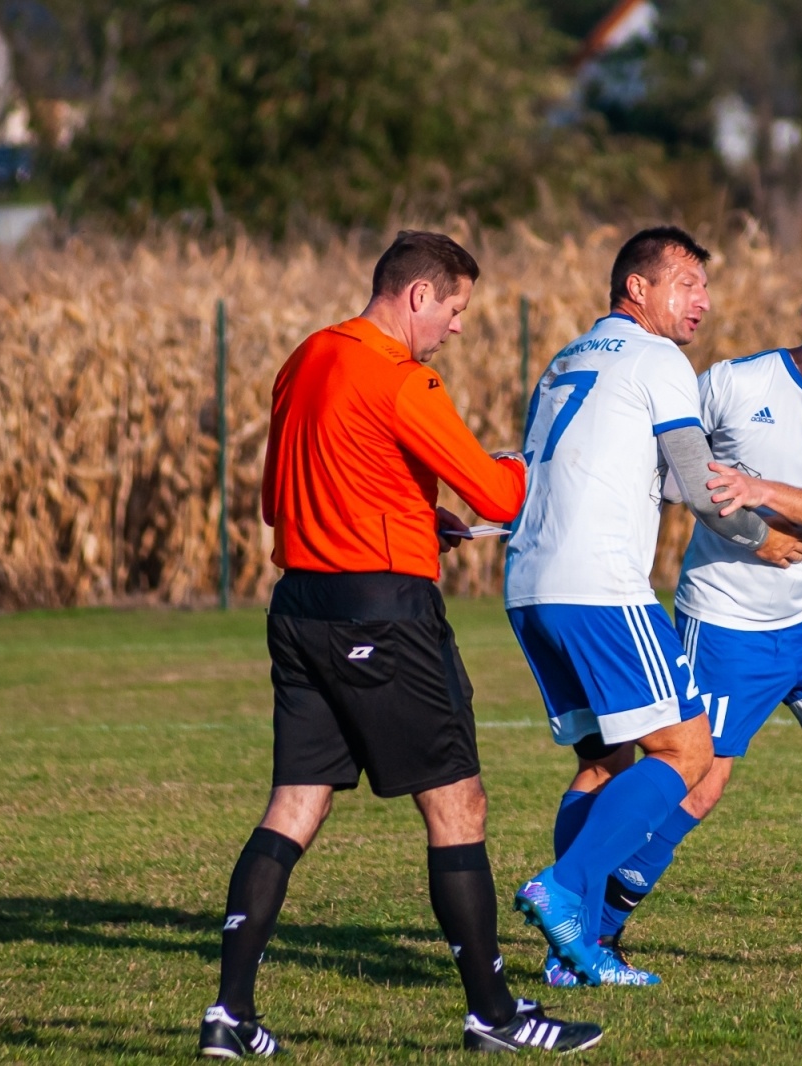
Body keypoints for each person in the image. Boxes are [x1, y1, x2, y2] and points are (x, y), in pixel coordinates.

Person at [199, 230, 600, 1058]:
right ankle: (494, 1015)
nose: (457, 326)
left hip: (299, 607)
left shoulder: (306, 358)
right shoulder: (402, 377)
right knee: (457, 804)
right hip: (382, 618)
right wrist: (526, 465)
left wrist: (415, 516)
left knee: (295, 803)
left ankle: (229, 1014)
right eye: (454, 308)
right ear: (418, 295)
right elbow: (498, 495)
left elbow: (280, 503)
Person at [546, 255, 802, 986]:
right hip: (723, 617)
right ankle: (593, 933)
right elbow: (660, 465)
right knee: (697, 785)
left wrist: (756, 488)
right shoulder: (733, 383)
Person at [504, 226, 802, 987]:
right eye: (686, 283)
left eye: (706, 286)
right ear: (636, 288)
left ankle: (573, 954)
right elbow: (696, 481)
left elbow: (637, 473)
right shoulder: (658, 358)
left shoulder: (567, 358)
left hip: (530, 585)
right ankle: (564, 888)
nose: (702, 300)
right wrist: (762, 536)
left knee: (603, 763)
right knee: (686, 752)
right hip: (601, 587)